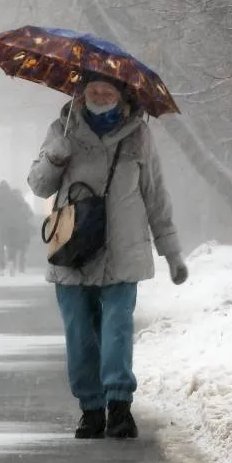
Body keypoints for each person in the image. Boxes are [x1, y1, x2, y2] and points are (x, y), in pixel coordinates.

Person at [27, 76, 188, 440]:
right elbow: (38, 185)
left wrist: (172, 252)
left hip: (123, 248)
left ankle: (119, 406)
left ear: (123, 95)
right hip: (73, 249)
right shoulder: (61, 128)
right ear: (82, 93)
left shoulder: (139, 136)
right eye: (94, 89)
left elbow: (155, 195)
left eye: (109, 90)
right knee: (80, 334)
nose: (100, 96)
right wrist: (56, 156)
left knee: (117, 329)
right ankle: (90, 409)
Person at [0, 181, 34, 276]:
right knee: (11, 247)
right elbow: (22, 211)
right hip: (11, 228)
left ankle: (1, 268)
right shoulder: (13, 198)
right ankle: (11, 262)